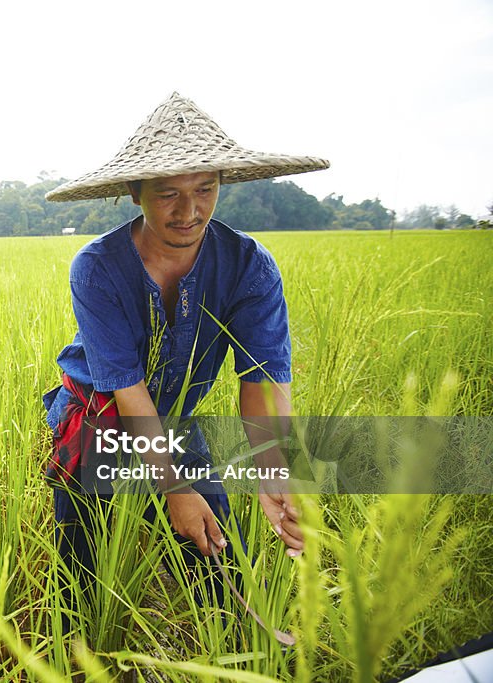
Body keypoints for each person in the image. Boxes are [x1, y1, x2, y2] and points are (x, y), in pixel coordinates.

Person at [41, 92, 329, 625]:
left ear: (222, 181)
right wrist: (173, 488)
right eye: (168, 193)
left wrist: (274, 471)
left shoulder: (247, 266)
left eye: (205, 189)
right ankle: (76, 648)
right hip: (97, 417)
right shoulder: (97, 267)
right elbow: (126, 391)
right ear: (134, 192)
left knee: (220, 556)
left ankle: (243, 647)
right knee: (83, 568)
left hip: (171, 421)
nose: (189, 210)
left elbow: (261, 380)